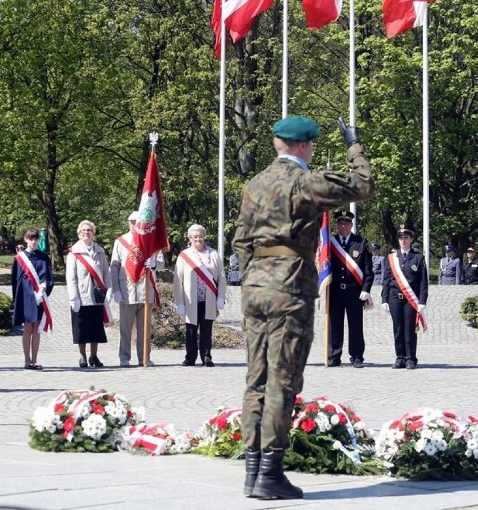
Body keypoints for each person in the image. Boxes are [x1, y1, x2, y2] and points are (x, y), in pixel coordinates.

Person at [232, 116, 373, 500]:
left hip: (255, 288)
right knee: (283, 378)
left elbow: (240, 240)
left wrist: (254, 276)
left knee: (256, 377)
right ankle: (270, 475)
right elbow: (362, 184)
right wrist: (354, 145)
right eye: (311, 146)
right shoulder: (304, 181)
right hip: (289, 288)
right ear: (304, 146)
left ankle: (251, 472)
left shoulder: (255, 183)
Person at [111, 212, 164, 367]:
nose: (135, 225)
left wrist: (154, 263)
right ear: (128, 223)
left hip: (146, 289)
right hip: (126, 290)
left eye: (138, 222)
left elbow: (161, 262)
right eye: (132, 222)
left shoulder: (152, 241)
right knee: (125, 329)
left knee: (144, 328)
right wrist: (115, 289)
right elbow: (114, 267)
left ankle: (144, 357)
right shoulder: (120, 242)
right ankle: (124, 358)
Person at [174, 224, 226, 367]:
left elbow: (221, 276)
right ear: (190, 238)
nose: (198, 239)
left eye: (201, 236)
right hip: (190, 299)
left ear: (204, 237)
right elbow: (177, 280)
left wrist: (221, 297)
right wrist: (179, 302)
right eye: (195, 236)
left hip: (208, 299)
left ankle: (206, 357)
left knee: (206, 329)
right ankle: (190, 358)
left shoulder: (213, 254)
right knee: (190, 329)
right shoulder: (184, 255)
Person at [327, 210, 374, 368]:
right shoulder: (330, 243)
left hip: (354, 291)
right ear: (337, 225)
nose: (344, 225)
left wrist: (366, 289)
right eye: (341, 222)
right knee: (335, 325)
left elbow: (368, 270)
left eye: (347, 223)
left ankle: (357, 356)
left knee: (355, 325)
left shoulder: (360, 243)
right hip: (335, 291)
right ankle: (334, 355)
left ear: (351, 225)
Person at [381, 224, 428, 370]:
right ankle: (399, 357)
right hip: (395, 297)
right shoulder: (391, 258)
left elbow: (423, 282)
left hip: (410, 299)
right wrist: (384, 299)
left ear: (411, 239)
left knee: (409, 328)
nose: (403, 240)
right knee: (398, 328)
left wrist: (422, 301)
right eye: (401, 238)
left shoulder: (418, 258)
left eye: (406, 238)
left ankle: (410, 358)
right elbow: (387, 280)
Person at [66, 220, 111, 368]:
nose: (86, 232)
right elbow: (71, 277)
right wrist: (74, 298)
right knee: (81, 328)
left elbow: (106, 273)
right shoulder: (74, 252)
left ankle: (94, 356)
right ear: (79, 233)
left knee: (95, 328)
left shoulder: (100, 251)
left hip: (97, 296)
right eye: (83, 230)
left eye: (89, 230)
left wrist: (109, 290)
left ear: (93, 233)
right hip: (81, 296)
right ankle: (82, 356)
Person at [12, 227, 55, 370]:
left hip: (39, 296)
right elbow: (16, 280)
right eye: (31, 238)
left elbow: (48, 277)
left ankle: (35, 360)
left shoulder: (43, 257)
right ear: (26, 239)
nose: (33, 241)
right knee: (27, 328)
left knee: (37, 328)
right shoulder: (19, 259)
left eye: (36, 238)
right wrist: (24, 295)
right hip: (26, 297)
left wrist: (43, 290)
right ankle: (27, 360)